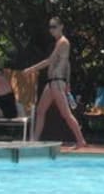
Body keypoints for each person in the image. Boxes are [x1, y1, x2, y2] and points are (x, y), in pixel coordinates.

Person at [25, 17, 87, 149]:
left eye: (54, 27)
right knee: (41, 110)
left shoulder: (63, 42)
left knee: (66, 114)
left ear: (61, 27)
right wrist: (68, 82)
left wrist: (31, 69)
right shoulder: (59, 43)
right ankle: (34, 140)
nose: (51, 30)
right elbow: (67, 64)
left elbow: (50, 61)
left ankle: (81, 140)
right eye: (50, 27)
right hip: (52, 82)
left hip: (57, 82)